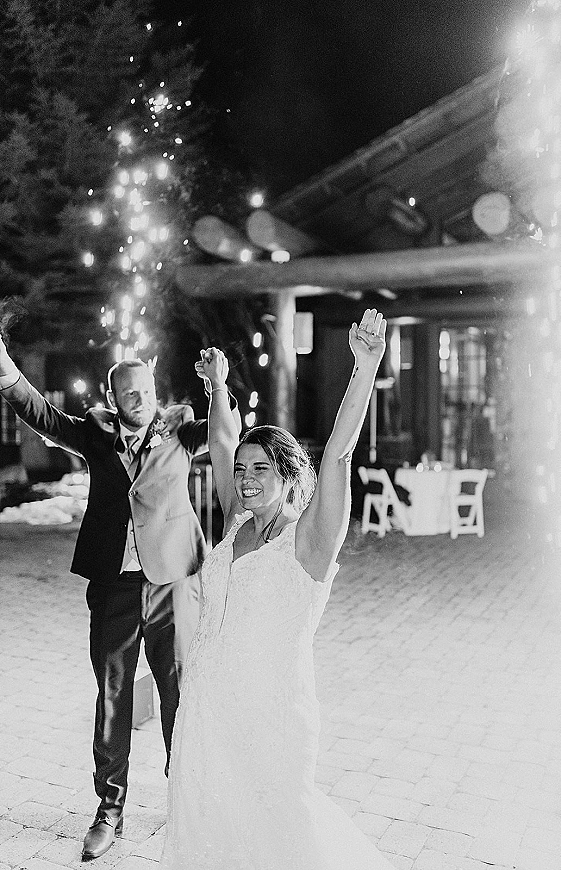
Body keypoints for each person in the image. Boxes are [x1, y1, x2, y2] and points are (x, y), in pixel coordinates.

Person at [161, 308, 395, 869]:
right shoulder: (237, 521)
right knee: (209, 833)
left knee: (276, 834)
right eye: (242, 470)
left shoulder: (308, 541)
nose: (244, 479)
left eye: (260, 469)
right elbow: (223, 441)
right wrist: (218, 387)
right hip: (207, 708)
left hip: (270, 714)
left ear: (288, 476)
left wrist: (364, 368)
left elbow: (338, 453)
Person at [0, 337, 239, 860]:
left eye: (147, 391)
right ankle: (110, 810)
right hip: (114, 585)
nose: (141, 400)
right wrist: (6, 369)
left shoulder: (180, 428)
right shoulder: (95, 433)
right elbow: (43, 416)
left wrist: (219, 387)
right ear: (113, 398)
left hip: (174, 582)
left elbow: (226, 435)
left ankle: (185, 795)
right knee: (112, 697)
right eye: (130, 394)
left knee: (180, 691)